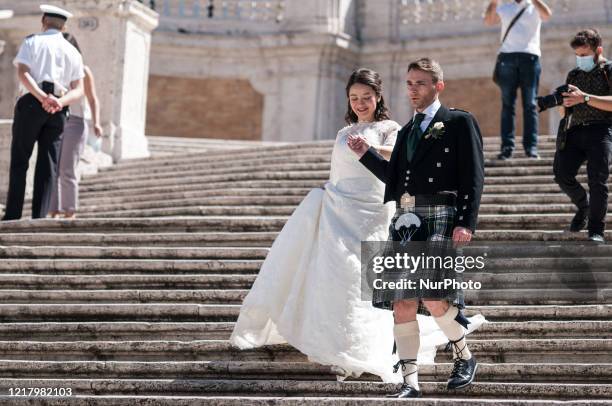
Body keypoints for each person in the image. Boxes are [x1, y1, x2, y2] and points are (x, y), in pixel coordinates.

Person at [230, 69, 404, 382]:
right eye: (354, 98)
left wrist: (369, 147)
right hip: (338, 210)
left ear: (378, 97)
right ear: (348, 100)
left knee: (361, 276)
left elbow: (401, 159)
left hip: (372, 211)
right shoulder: (342, 133)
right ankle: (331, 341)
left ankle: (360, 347)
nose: (361, 103)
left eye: (367, 97)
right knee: (335, 275)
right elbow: (338, 172)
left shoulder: (390, 128)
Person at [348, 58, 485, 398]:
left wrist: (466, 222)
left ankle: (464, 356)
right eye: (409, 83)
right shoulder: (407, 131)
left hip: (441, 214)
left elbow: (473, 176)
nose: (413, 89)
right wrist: (366, 154)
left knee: (434, 296)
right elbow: (394, 179)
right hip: (406, 219)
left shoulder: (457, 121)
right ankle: (410, 382)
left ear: (438, 85)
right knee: (402, 301)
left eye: (420, 83)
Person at [2, 4, 84, 221]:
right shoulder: (73, 51)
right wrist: (58, 101)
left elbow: (23, 73)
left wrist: (41, 97)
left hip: (32, 102)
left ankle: (12, 216)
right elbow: (79, 90)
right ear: (64, 25)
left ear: (43, 20)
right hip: (58, 108)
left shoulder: (32, 41)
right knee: (49, 165)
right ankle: (38, 217)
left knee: (21, 160)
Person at [555, 29, 612, 243]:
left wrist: (585, 98)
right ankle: (584, 206)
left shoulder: (609, 70)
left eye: (584, 55)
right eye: (577, 55)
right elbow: (564, 112)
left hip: (602, 130)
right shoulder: (574, 75)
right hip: (575, 130)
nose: (580, 59)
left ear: (598, 50)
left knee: (597, 180)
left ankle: (596, 230)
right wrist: (563, 104)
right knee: (562, 174)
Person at [485, 0, 552, 160]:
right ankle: (507, 148)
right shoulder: (505, 6)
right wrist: (493, 2)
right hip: (507, 57)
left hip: (530, 57)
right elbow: (489, 21)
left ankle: (531, 148)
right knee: (508, 105)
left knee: (530, 104)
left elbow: (547, 15)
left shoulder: (534, 7)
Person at [49, 33, 103, 219]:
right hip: (56, 120)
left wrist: (96, 122)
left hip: (76, 122)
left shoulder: (84, 70)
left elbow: (92, 99)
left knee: (67, 167)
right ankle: (53, 209)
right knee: (53, 166)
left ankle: (69, 210)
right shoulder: (56, 70)